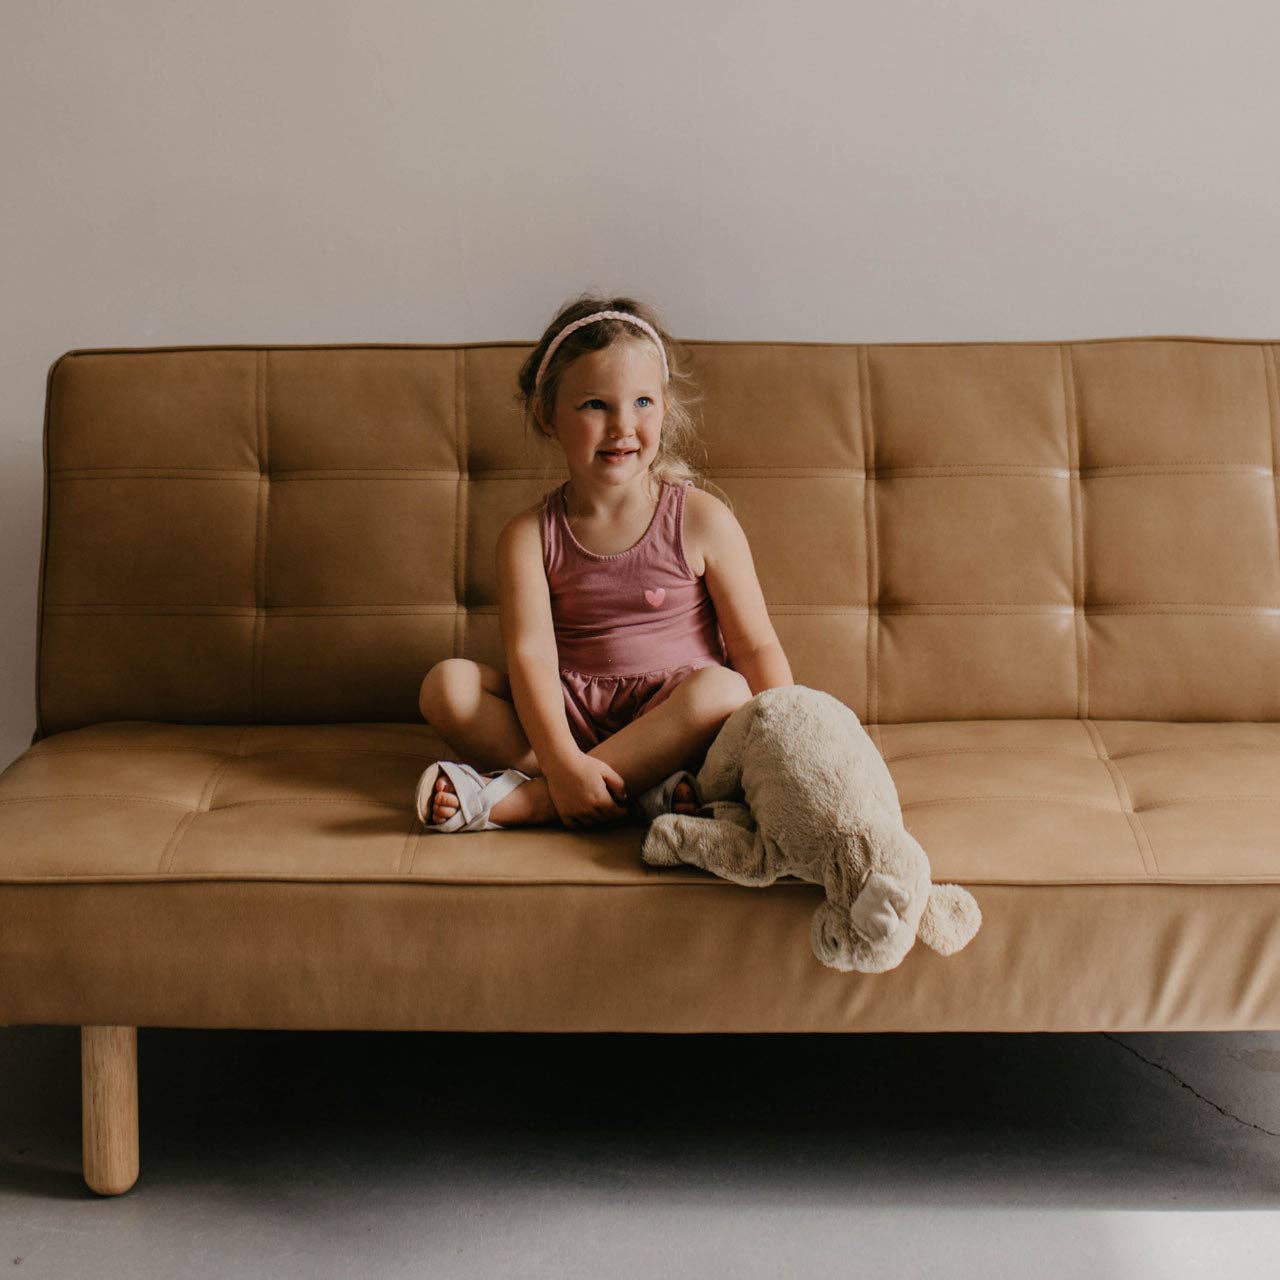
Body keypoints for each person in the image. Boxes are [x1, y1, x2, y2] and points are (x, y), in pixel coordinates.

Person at [414, 293, 793, 833]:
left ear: (664, 407)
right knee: (445, 685)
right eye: (595, 405)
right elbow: (531, 660)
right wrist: (565, 759)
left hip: (672, 719)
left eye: (642, 402)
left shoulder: (701, 519)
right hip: (568, 718)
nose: (622, 425)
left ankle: (536, 802)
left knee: (726, 689)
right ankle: (618, 789)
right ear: (548, 416)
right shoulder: (527, 537)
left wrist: (792, 736)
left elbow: (755, 647)